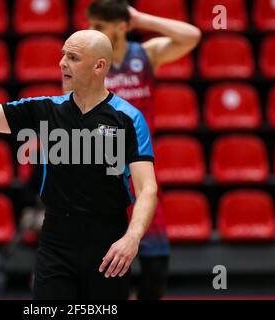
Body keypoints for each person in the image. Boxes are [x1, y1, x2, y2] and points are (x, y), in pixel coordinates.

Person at [0, 26, 158, 300]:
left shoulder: (129, 118)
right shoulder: (45, 109)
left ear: (99, 66)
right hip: (56, 240)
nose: (62, 62)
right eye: (63, 54)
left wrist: (132, 238)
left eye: (73, 57)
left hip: (108, 242)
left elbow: (147, 188)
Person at [86, 0, 201, 300]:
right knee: (105, 275)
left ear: (121, 27)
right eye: (90, 26)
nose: (91, 33)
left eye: (98, 27)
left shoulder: (145, 55)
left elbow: (192, 36)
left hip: (141, 173)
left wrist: (139, 18)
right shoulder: (87, 65)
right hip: (102, 176)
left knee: (155, 274)